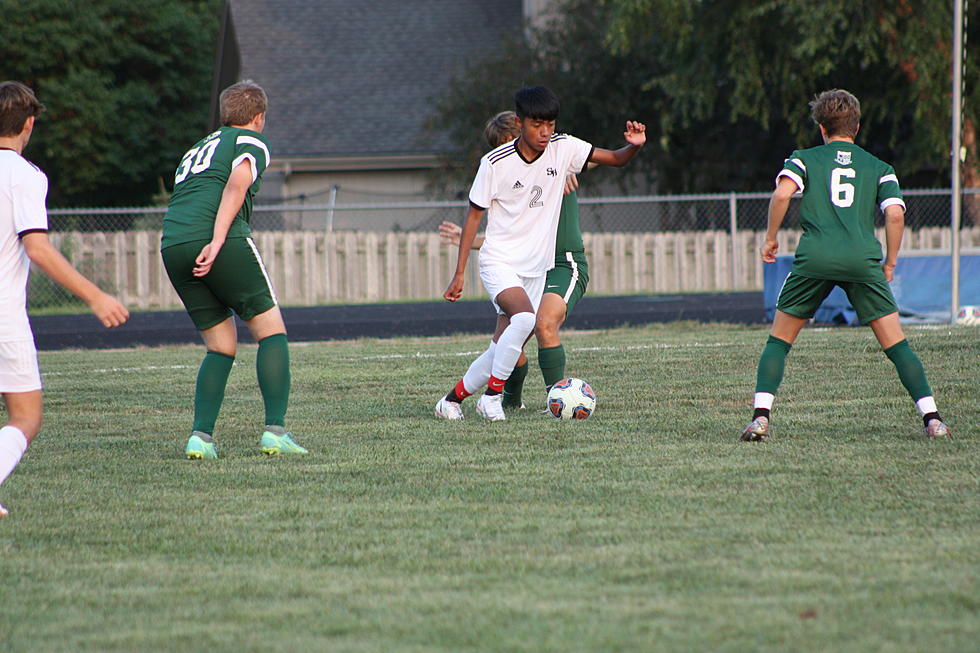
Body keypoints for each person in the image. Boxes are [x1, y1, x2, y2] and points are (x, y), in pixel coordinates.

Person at [741, 89, 949, 441]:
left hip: (815, 257)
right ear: (857, 127)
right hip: (861, 258)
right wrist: (890, 263)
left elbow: (781, 194)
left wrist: (771, 238)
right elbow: (895, 215)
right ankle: (933, 419)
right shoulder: (879, 167)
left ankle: (761, 418)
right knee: (898, 346)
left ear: (822, 128)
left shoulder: (805, 158)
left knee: (778, 342)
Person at [436, 86, 645, 421]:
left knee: (503, 344)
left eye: (550, 124)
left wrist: (632, 147)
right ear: (520, 124)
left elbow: (616, 159)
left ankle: (451, 400)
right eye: (537, 124)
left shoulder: (563, 149)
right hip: (500, 261)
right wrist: (460, 272)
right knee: (525, 319)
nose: (545, 131)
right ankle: (492, 397)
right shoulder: (493, 164)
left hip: (537, 267)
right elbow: (474, 215)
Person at [0, 81, 129, 516]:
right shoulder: (24, 176)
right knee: (26, 416)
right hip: (3, 315)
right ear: (29, 125)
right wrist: (94, 296)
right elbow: (37, 248)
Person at [161, 81, 307, 459]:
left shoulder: (196, 148)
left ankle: (201, 437)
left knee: (221, 346)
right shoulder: (251, 141)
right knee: (270, 330)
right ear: (259, 117)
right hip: (215, 239)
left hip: (173, 243)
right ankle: (275, 431)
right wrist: (217, 239)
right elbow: (237, 184)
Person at [438, 110, 590, 409]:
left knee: (541, 322)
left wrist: (568, 167)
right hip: (520, 265)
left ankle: (555, 401)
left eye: (510, 142)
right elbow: (507, 240)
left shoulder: (555, 159)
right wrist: (466, 243)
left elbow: (589, 155)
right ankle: (496, 401)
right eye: (500, 147)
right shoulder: (501, 173)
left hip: (561, 262)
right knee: (509, 344)